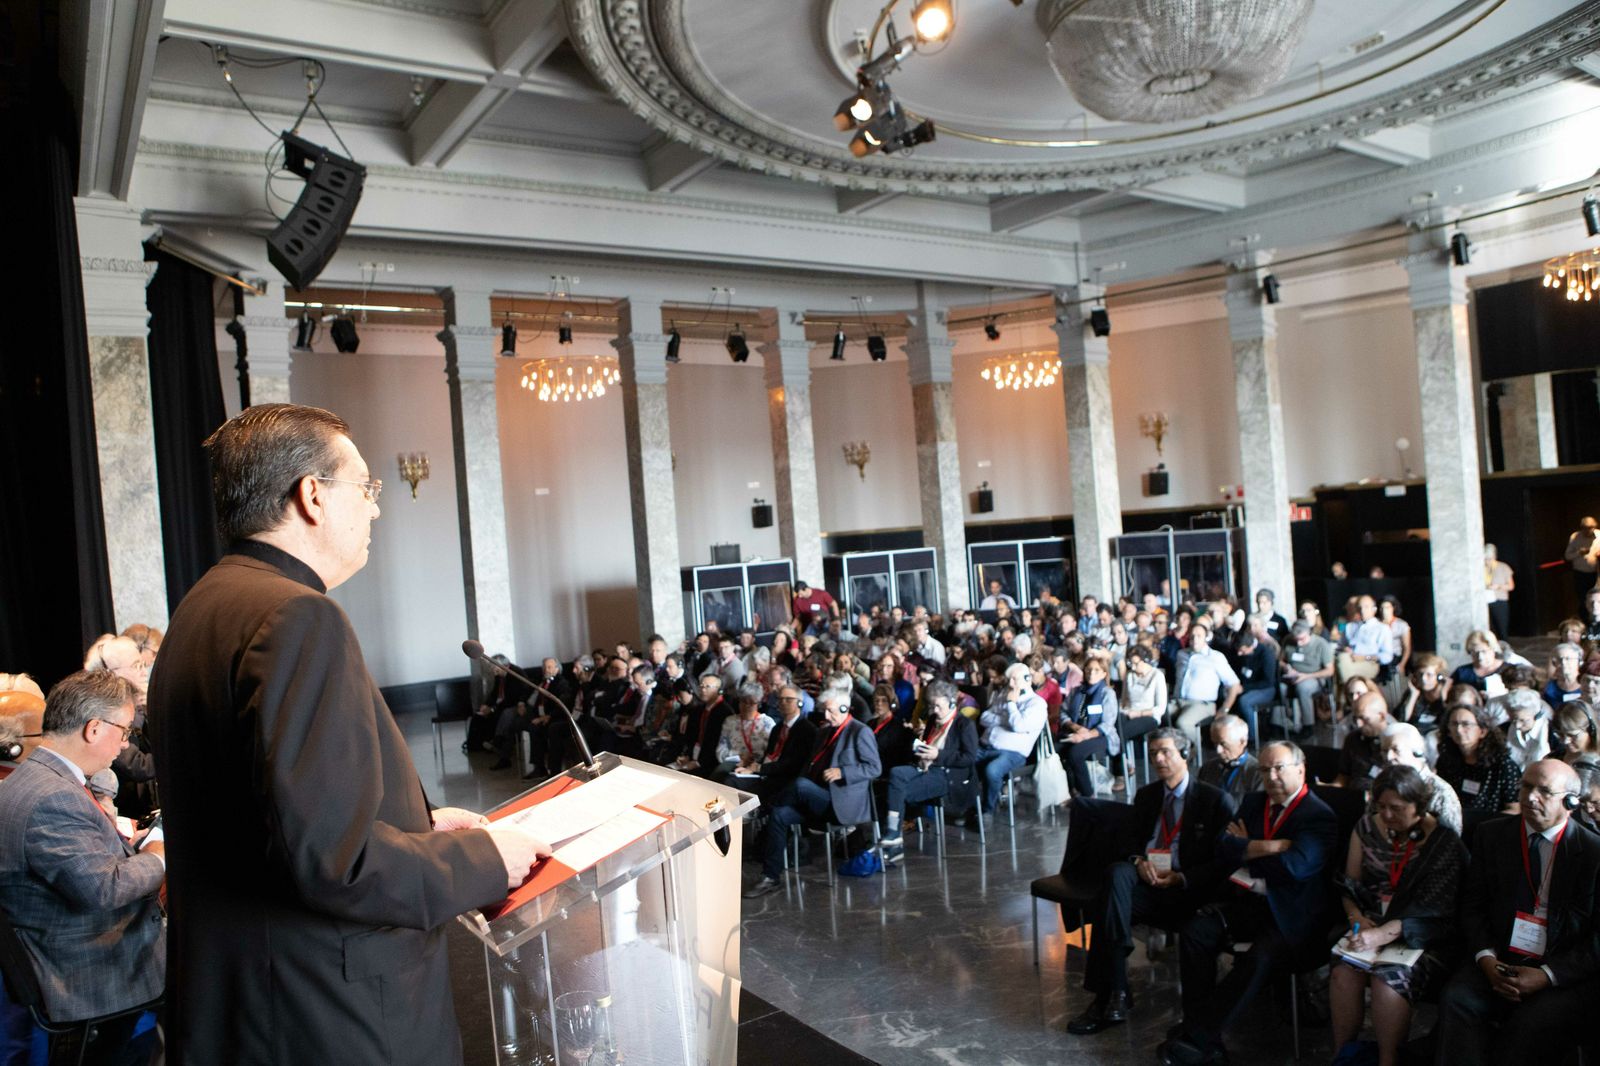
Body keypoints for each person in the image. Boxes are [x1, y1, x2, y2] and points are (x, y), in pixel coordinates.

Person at [147, 404, 547, 1066]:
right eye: (365, 488)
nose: (376, 509)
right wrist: (484, 860)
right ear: (311, 496)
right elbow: (335, 861)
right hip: (326, 1016)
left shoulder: (203, 608)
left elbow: (266, 810)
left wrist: (414, 819)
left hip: (240, 1004)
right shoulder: (298, 617)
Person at [0, 671, 166, 1066]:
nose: (124, 744)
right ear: (94, 728)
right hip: (89, 975)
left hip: (73, 956)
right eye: (124, 732)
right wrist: (159, 850)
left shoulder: (35, 781)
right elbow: (104, 890)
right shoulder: (51, 796)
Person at [1161, 741, 1338, 1066]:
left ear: (1301, 769)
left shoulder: (1318, 817)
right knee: (1195, 932)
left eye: (1279, 768)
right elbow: (1223, 847)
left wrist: (1245, 848)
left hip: (1292, 915)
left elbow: (1294, 868)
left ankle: (1198, 1036)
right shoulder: (1256, 802)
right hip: (1248, 903)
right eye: (1264, 769)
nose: (1270, 777)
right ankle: (1198, 1025)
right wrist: (1271, 846)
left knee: (1259, 958)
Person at [1069, 728, 1236, 1036]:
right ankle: (1114, 992)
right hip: (1146, 883)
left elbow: (1223, 862)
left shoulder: (1214, 801)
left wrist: (1182, 877)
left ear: (1186, 754)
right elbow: (1127, 846)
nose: (1158, 759)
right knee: (1118, 875)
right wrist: (1138, 862)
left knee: (1108, 907)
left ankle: (1109, 995)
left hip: (1187, 891)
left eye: (1166, 752)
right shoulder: (1147, 796)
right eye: (1153, 753)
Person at [1435, 760, 1600, 1066]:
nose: (1530, 797)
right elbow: (1473, 906)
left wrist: (1547, 976)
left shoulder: (1593, 853)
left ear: (1571, 803)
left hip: (1559, 969)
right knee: (1457, 1000)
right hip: (1500, 957)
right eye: (1526, 786)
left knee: (1531, 1023)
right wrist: (1486, 960)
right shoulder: (1491, 834)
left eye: (1544, 791)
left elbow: (1596, 942)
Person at [1329, 766, 1467, 1066]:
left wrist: (1381, 934)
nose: (1388, 816)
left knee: (1388, 979)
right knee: (1344, 971)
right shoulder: (1367, 827)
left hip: (1424, 933)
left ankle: (1387, 1060)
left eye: (1397, 808)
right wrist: (1356, 918)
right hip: (1370, 923)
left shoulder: (1443, 843)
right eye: (1382, 807)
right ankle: (1342, 1056)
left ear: (1419, 806)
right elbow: (1350, 884)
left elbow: (1439, 910)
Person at [745, 689, 882, 896]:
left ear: (845, 709)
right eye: (825, 711)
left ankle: (761, 808)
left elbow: (874, 768)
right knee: (779, 815)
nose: (826, 716)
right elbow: (809, 766)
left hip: (840, 802)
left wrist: (843, 772)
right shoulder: (824, 732)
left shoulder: (860, 731)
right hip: (817, 797)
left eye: (831, 711)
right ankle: (770, 876)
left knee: (800, 785)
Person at [880, 681, 978, 865]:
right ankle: (893, 836)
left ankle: (892, 838)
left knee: (896, 793)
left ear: (951, 704)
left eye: (938, 706)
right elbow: (927, 744)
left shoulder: (964, 725)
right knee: (895, 774)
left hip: (947, 774)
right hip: (924, 766)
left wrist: (938, 755)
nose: (934, 711)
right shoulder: (933, 720)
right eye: (932, 706)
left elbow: (969, 757)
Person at [973, 663, 1047, 816]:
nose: (1010, 684)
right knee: (963, 761)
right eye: (1009, 680)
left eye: (1014, 679)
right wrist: (1005, 720)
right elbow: (984, 718)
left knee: (992, 770)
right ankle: (969, 806)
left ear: (1028, 679)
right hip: (987, 745)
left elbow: (1019, 726)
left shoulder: (1036, 704)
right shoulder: (1003, 695)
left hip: (1014, 753)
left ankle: (987, 809)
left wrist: (1011, 705)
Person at [1435, 704, 1522, 816]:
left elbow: (1515, 810)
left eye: (1466, 724)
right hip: (1453, 822)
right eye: (1454, 724)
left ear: (1482, 731)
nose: (1459, 730)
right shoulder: (1446, 760)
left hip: (1488, 827)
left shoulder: (1504, 766)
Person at [1172, 619, 1242, 754]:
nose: (1195, 639)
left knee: (1183, 723)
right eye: (1192, 636)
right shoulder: (1181, 654)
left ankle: (1195, 751)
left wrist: (1225, 709)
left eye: (1199, 636)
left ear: (1206, 638)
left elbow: (1234, 684)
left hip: (1203, 704)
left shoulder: (1215, 657)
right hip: (1177, 700)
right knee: (1157, 718)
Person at [1057, 650, 1120, 799]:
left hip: (1100, 735)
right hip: (1076, 732)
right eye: (1089, 669)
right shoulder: (1076, 691)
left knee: (1075, 753)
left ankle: (1088, 796)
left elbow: (1107, 724)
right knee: (1054, 750)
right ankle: (1071, 791)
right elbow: (1063, 713)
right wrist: (1075, 727)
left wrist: (1085, 735)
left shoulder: (1107, 693)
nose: (1092, 673)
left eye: (1097, 670)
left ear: (1104, 674)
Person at [1379, 724, 1463, 835]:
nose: (1389, 757)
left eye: (1396, 750)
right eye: (1385, 751)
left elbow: (1452, 840)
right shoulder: (1381, 784)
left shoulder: (1441, 792)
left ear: (1417, 752)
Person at [1280, 620, 1334, 735]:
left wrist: (1306, 676)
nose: (1299, 643)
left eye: (1302, 639)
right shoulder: (1288, 641)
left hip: (1314, 676)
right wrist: (1287, 667)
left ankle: (1308, 725)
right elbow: (1280, 661)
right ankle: (1278, 724)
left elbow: (1330, 670)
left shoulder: (1321, 644)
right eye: (1296, 640)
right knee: (1280, 687)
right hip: (1292, 675)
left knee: (1303, 688)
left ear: (1309, 633)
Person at [1334, 691, 1394, 792]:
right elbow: (1343, 776)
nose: (1358, 724)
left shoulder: (1396, 741)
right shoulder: (1352, 739)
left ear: (1382, 716)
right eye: (1356, 718)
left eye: (1364, 719)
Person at [1197, 714, 1261, 803]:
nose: (1218, 750)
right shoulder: (1207, 769)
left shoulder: (1257, 773)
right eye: (1215, 744)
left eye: (1223, 744)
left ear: (1242, 742)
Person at [1230, 630, 1278, 747]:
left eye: (1243, 650)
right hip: (1247, 686)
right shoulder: (1241, 651)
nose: (1239, 654)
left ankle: (1252, 737)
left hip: (1266, 689)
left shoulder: (1266, 654)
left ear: (1251, 646)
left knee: (1245, 701)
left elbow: (1268, 682)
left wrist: (1244, 688)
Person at [1397, 653, 1451, 738]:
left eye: (1429, 675)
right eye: (1420, 674)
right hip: (1414, 735)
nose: (1424, 679)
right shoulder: (1414, 690)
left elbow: (1449, 721)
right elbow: (1402, 720)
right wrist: (1413, 696)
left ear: (1439, 677)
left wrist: (1443, 696)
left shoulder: (1448, 692)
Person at [1502, 689, 1551, 770]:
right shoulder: (1505, 728)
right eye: (1513, 719)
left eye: (1523, 720)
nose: (1517, 726)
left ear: (1537, 716)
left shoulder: (1551, 735)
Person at [1564, 515, 1600, 605]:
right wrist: (1579, 553)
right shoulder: (1575, 537)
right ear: (1581, 527)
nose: (1588, 530)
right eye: (1586, 528)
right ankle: (1585, 618)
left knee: (1595, 598)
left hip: (1596, 573)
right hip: (1580, 574)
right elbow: (1567, 556)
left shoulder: (1599, 535)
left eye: (1591, 528)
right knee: (1582, 599)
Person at [1484, 544, 1515, 638]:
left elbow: (1511, 586)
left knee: (1501, 629)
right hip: (1484, 601)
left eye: (1490, 558)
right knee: (1488, 629)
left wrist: (1498, 586)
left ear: (1494, 556)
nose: (1488, 561)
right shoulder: (1480, 567)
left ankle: (1503, 648)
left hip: (1499, 601)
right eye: (1486, 558)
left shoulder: (1503, 567)